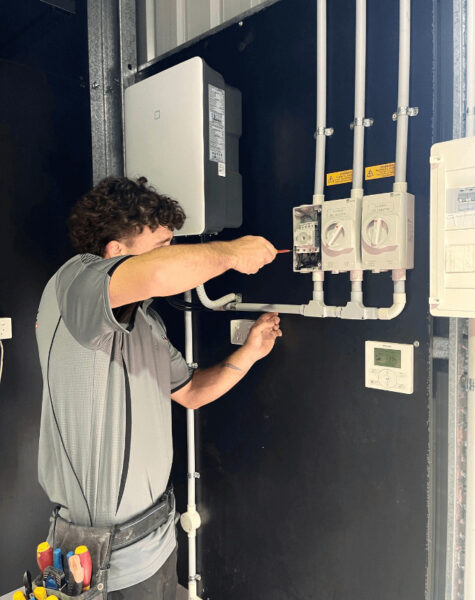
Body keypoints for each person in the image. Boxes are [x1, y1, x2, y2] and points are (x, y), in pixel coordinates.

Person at [35, 176, 282, 599]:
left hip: (156, 542)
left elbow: (190, 392)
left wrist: (250, 354)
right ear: (115, 250)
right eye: (162, 244)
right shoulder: (75, 283)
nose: (173, 254)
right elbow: (161, 273)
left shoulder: (145, 322)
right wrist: (233, 253)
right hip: (100, 563)